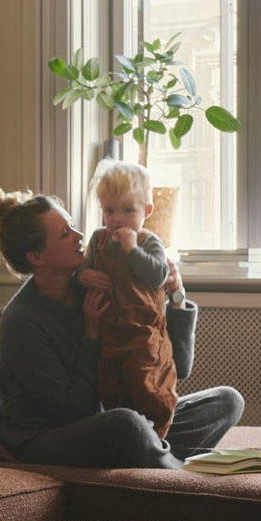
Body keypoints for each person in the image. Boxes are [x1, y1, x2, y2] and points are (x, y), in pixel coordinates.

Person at [0, 185, 243, 469]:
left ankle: (154, 455)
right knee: (127, 424)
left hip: (105, 418)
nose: (79, 237)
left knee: (225, 401)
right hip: (44, 437)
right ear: (37, 257)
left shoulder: (94, 285)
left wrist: (177, 297)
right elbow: (73, 409)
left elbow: (177, 366)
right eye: (65, 234)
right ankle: (176, 472)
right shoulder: (21, 320)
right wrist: (92, 331)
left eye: (73, 226)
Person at [79, 159, 177, 438]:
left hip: (143, 336)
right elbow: (83, 269)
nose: (117, 219)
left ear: (146, 210)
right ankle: (124, 434)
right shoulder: (98, 240)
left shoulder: (148, 241)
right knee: (109, 386)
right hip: (108, 336)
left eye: (127, 210)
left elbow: (158, 275)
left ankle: (157, 436)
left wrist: (132, 249)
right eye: (109, 211)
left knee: (148, 386)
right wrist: (83, 277)